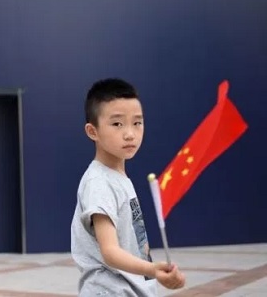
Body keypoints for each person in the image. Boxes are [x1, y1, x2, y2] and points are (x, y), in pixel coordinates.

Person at [71, 78, 185, 296]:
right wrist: (153, 269)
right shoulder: (98, 183)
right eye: (117, 124)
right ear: (92, 131)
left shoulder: (117, 176)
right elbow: (110, 251)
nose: (130, 133)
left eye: (137, 122)